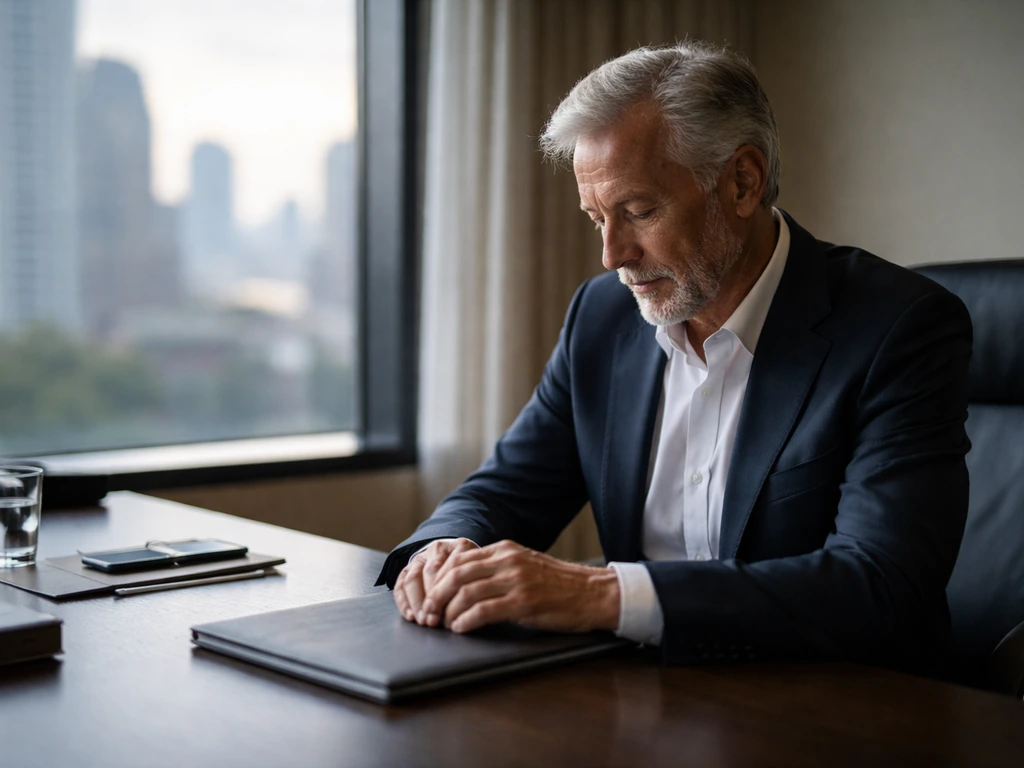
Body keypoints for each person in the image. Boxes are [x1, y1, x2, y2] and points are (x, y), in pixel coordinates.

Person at [376, 41, 972, 671]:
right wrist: (443, 550)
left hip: (842, 708)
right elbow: (508, 488)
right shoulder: (601, 318)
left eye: (639, 211)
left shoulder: (900, 328)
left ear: (743, 182)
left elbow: (879, 585)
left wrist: (601, 595)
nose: (612, 255)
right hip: (652, 700)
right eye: (595, 218)